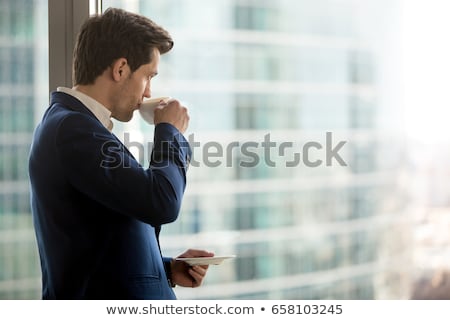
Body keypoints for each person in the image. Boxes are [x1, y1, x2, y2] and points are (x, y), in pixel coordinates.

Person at [28, 7, 213, 299]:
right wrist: (170, 132)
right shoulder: (73, 130)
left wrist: (163, 269)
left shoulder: (75, 126)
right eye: (148, 77)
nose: (149, 93)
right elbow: (161, 202)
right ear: (121, 69)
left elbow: (96, 245)